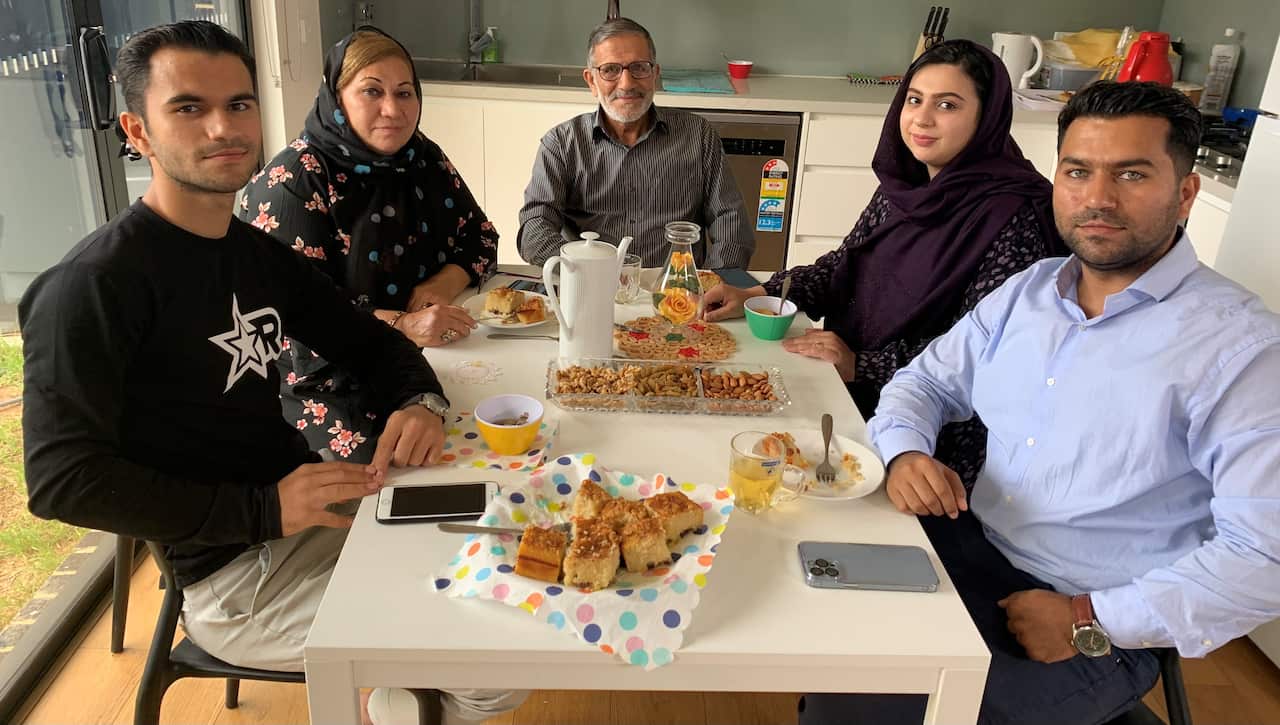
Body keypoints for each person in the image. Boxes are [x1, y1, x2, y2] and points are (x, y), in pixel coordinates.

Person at [19, 22, 522, 725]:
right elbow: (61, 479)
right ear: (137, 129)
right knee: (493, 652)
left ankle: (391, 697)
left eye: (241, 104)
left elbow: (375, 344)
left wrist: (419, 399)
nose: (224, 126)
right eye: (189, 108)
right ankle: (394, 697)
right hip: (231, 578)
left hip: (316, 513)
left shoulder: (253, 254)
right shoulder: (93, 284)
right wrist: (259, 510)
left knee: (515, 550)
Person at [801, 81, 1280, 725]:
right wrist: (906, 450)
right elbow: (926, 383)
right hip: (967, 547)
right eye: (1078, 171)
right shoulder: (1029, 292)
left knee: (864, 708)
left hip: (1095, 615)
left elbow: (1266, 556)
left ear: (1185, 194)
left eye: (1132, 174)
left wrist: (1090, 617)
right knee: (816, 612)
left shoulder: (1243, 350)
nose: (1098, 199)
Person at [706, 39, 1064, 491]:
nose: (922, 118)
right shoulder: (907, 185)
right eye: (914, 100)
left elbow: (985, 355)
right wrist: (762, 294)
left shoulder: (1014, 217)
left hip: (929, 447)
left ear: (987, 117)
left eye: (948, 105)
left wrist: (862, 365)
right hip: (848, 392)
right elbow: (845, 265)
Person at [240, 26, 497, 464]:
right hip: (325, 377)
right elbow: (293, 324)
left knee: (501, 424)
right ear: (336, 98)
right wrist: (403, 325)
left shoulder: (420, 157)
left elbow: (481, 237)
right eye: (371, 91)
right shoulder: (294, 184)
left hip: (419, 358)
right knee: (399, 465)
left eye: (404, 93)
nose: (392, 110)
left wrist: (442, 284)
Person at [517, 17, 754, 269]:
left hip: (674, 292)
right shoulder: (562, 144)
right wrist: (579, 271)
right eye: (610, 70)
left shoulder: (698, 135)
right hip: (588, 285)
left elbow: (731, 222)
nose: (627, 83)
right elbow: (535, 227)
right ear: (591, 81)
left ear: (655, 74)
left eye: (639, 68)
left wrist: (715, 283)